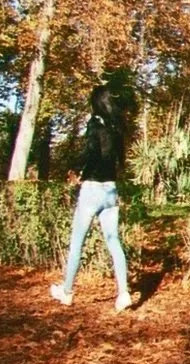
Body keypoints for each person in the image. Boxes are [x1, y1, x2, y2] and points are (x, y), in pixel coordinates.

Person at [50, 81, 134, 312]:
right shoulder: (116, 127)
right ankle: (124, 293)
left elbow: (91, 152)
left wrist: (76, 170)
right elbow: (114, 159)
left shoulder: (94, 125)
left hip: (92, 190)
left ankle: (66, 292)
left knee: (77, 241)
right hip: (111, 190)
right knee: (114, 241)